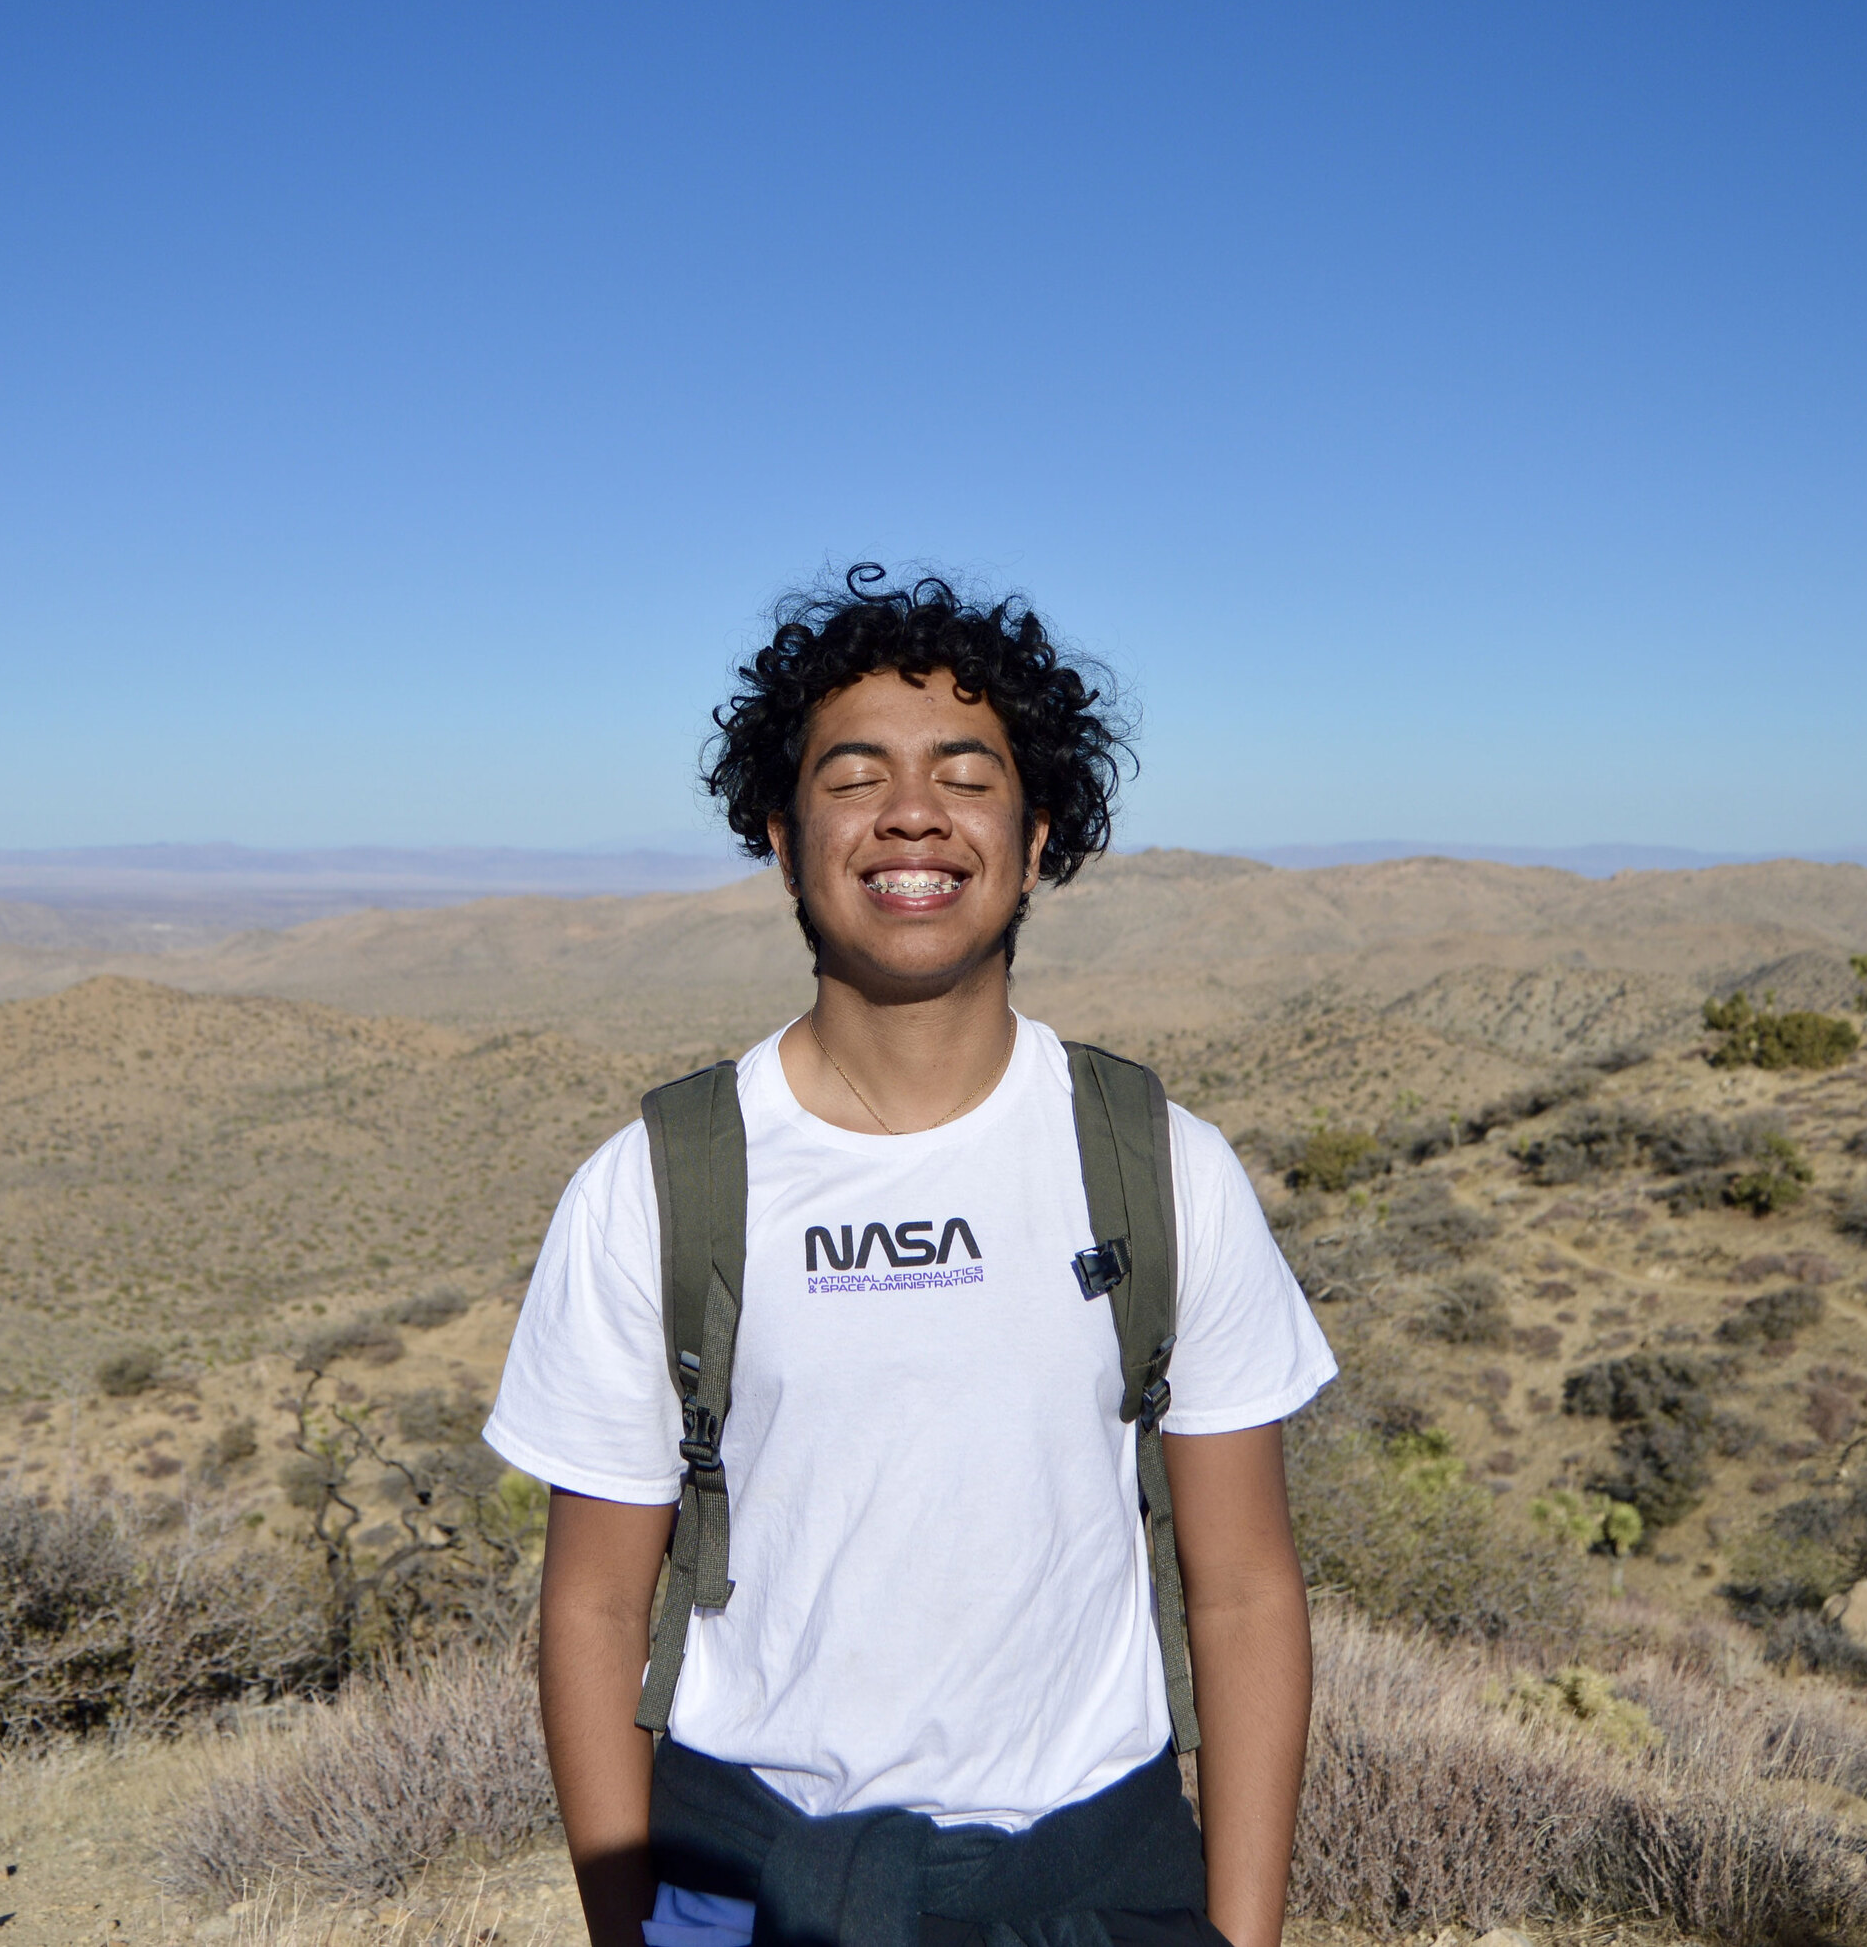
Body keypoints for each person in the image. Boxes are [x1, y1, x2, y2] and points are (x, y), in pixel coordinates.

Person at [486, 568, 1336, 1947]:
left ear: (1039, 826)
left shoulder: (1162, 1166)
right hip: (750, 1879)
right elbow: (590, 1604)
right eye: (853, 775)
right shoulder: (657, 1184)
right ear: (779, 833)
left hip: (1094, 1884)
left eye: (966, 772)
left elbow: (1243, 1591)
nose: (912, 814)